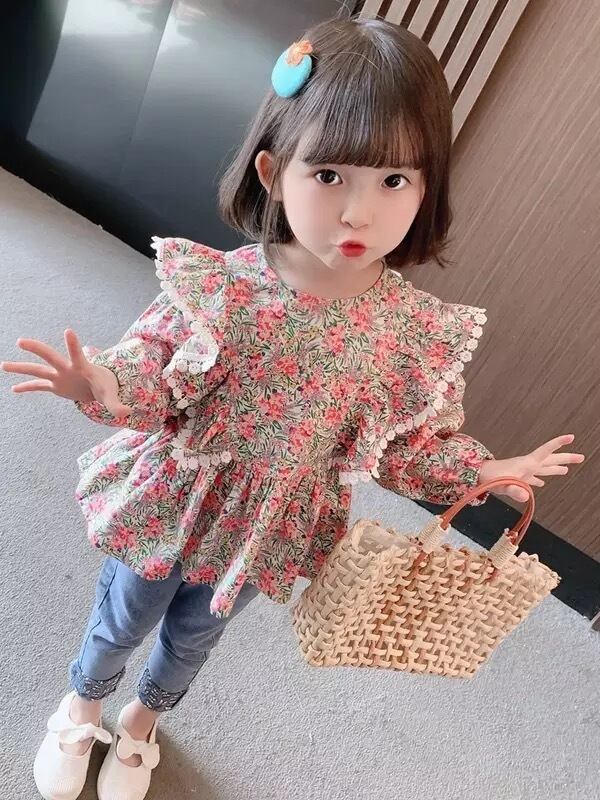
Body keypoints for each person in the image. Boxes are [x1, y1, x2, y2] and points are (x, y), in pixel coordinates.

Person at [1, 15, 584, 800]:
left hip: (271, 524)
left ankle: (141, 722)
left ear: (428, 188)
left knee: (196, 635)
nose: (358, 213)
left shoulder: (409, 334)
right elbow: (159, 373)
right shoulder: (227, 288)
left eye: (395, 181)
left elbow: (408, 446)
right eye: (330, 175)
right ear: (274, 172)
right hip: (175, 498)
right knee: (124, 616)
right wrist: (100, 385)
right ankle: (82, 706)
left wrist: (484, 470)